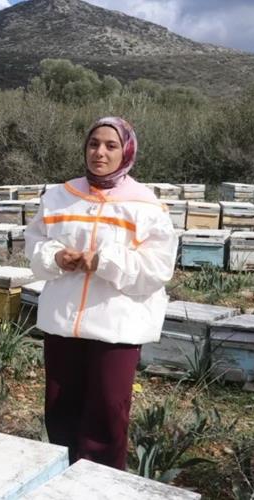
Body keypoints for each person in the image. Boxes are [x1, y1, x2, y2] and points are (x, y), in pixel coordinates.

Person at [23, 116, 178, 470]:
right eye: (94, 144)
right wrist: (56, 257)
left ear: (127, 151)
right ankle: (62, 482)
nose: (100, 153)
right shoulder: (59, 196)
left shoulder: (145, 205)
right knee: (60, 411)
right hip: (63, 324)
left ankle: (102, 485)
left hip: (116, 329)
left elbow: (157, 268)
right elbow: (34, 245)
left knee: (107, 415)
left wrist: (104, 262)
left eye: (110, 146)